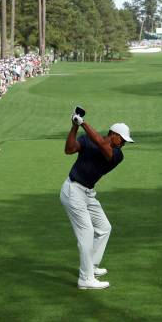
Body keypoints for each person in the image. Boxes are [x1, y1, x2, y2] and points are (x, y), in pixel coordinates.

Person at [61, 110, 134, 290]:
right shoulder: (88, 140)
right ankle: (85, 278)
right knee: (86, 234)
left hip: (87, 193)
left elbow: (101, 144)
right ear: (114, 135)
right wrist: (74, 127)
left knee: (104, 228)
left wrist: (83, 122)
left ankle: (91, 265)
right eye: (122, 140)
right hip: (73, 190)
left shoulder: (117, 155)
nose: (124, 144)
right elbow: (69, 149)